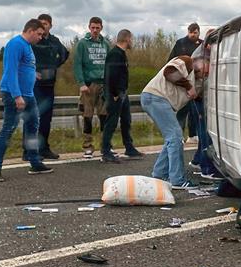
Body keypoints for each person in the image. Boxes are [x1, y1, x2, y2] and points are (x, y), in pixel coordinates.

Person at [0, 19, 53, 180]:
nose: (40, 37)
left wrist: (33, 75)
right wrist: (17, 95)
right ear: (30, 30)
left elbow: (25, 67)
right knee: (8, 129)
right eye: (39, 34)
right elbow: (10, 71)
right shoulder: (16, 44)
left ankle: (34, 161)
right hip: (14, 95)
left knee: (32, 128)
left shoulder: (28, 47)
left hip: (29, 94)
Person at [141, 55, 199, 190]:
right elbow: (169, 72)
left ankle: (159, 174)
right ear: (201, 61)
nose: (206, 73)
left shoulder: (196, 76)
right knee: (176, 137)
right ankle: (177, 180)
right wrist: (189, 86)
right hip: (156, 97)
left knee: (171, 139)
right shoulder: (187, 61)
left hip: (156, 99)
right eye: (207, 68)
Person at [26, 13, 69, 160]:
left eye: (46, 24)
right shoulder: (33, 41)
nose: (43, 26)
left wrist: (55, 66)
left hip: (49, 84)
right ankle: (28, 151)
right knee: (32, 118)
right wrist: (32, 70)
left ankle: (44, 148)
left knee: (46, 118)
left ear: (50, 25)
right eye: (41, 23)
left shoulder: (54, 41)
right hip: (34, 85)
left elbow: (65, 54)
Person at [100, 29, 144, 163]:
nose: (132, 41)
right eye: (131, 39)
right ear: (127, 39)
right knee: (111, 122)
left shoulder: (122, 54)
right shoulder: (115, 54)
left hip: (122, 93)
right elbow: (110, 75)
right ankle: (106, 151)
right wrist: (114, 93)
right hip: (115, 94)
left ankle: (129, 147)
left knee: (126, 120)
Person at [73, 16, 111, 158]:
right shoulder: (83, 44)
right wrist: (81, 83)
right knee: (87, 116)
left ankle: (105, 145)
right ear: (89, 27)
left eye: (98, 27)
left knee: (104, 116)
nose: (95, 30)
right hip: (89, 85)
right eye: (93, 27)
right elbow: (77, 64)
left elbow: (109, 64)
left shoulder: (105, 44)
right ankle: (88, 146)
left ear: (101, 28)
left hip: (103, 84)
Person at [188, 31, 223, 180]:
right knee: (205, 133)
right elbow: (202, 80)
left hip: (198, 97)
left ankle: (197, 160)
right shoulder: (202, 56)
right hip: (200, 98)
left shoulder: (201, 52)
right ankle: (207, 168)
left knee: (203, 132)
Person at [168, 23, 202, 143]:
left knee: (194, 111)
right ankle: (178, 135)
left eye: (195, 32)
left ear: (199, 32)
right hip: (182, 81)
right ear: (188, 32)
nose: (193, 35)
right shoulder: (180, 43)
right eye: (191, 32)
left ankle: (193, 135)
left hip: (196, 82)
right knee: (182, 110)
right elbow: (171, 60)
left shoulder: (202, 44)